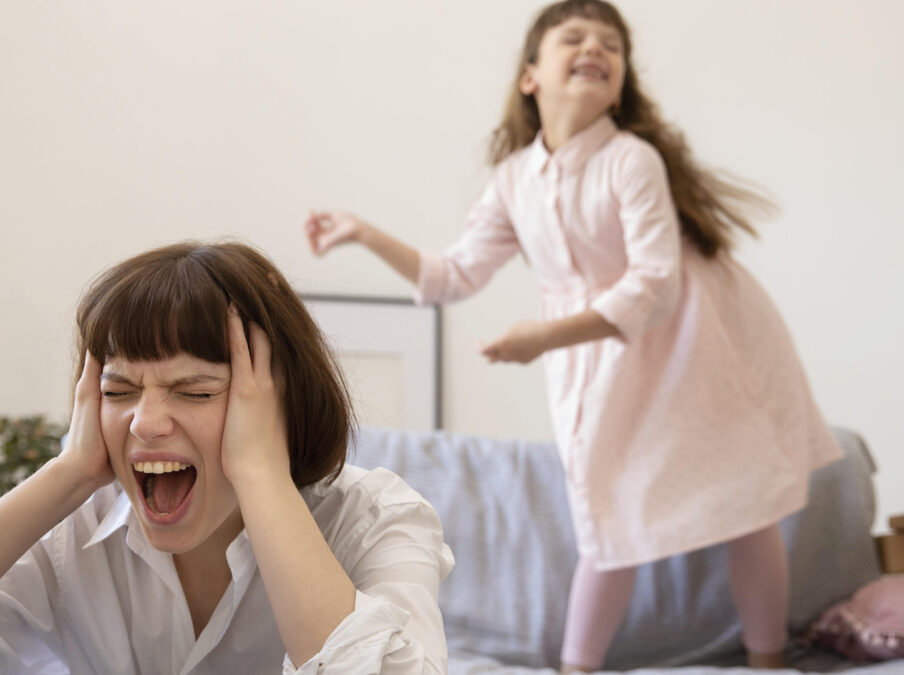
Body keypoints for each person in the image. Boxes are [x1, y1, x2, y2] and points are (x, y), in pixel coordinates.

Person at [304, 1, 841, 672]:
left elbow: (656, 287)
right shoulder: (514, 180)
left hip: (699, 345)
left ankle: (768, 660)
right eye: (575, 37)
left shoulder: (630, 160)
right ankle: (576, 666)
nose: (595, 48)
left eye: (611, 45)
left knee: (744, 499)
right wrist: (363, 233)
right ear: (530, 76)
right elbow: (450, 275)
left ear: (618, 89)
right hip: (602, 357)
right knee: (606, 511)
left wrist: (545, 336)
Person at [0, 241, 454, 674]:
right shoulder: (72, 533)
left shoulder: (375, 519)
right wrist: (68, 473)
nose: (145, 423)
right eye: (118, 391)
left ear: (276, 404)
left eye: (196, 391)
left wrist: (260, 471)